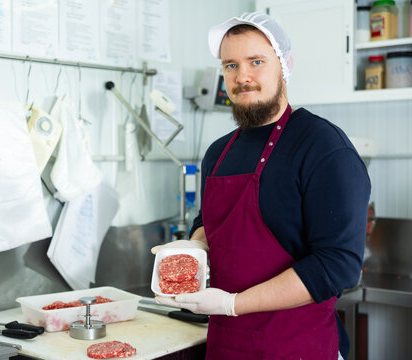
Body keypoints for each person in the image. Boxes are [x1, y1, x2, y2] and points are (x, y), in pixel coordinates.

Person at [151, 11, 371, 360]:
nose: (243, 77)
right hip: (226, 347)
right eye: (231, 66)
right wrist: (193, 247)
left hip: (297, 346)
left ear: (285, 65)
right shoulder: (218, 152)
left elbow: (337, 265)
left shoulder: (323, 147)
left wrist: (232, 303)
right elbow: (209, 222)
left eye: (256, 61)